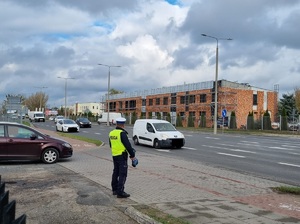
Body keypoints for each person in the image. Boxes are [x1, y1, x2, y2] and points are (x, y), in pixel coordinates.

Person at [109, 117, 136, 198]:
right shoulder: (122, 133)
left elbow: (111, 145)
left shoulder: (111, 133)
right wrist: (132, 156)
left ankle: (114, 189)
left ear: (117, 124)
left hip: (114, 155)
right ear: (123, 125)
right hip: (122, 156)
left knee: (115, 172)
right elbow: (128, 145)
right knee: (122, 174)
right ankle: (120, 192)